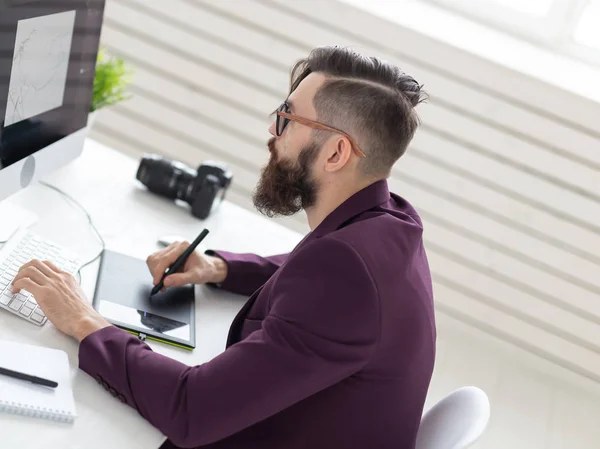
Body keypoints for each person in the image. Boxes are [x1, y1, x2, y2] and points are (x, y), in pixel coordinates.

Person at [12, 46, 436, 449]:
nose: (273, 130)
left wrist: (86, 321)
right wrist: (216, 268)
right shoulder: (389, 222)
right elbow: (308, 267)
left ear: (336, 152)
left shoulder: (347, 275)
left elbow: (190, 408)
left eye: (287, 117)